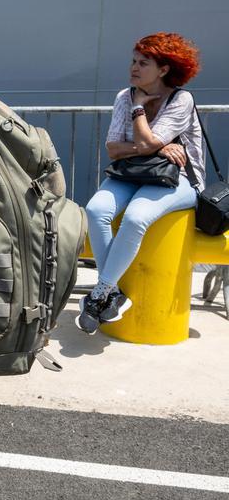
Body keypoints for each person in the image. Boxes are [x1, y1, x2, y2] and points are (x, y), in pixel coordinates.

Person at [80, 33, 203, 334]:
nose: (134, 68)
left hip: (179, 179)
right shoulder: (125, 95)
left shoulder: (180, 99)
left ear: (164, 69)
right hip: (132, 172)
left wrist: (140, 115)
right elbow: (114, 148)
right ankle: (111, 295)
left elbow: (143, 141)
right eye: (133, 61)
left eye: (143, 63)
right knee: (96, 211)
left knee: (136, 217)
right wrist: (155, 146)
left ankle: (100, 293)